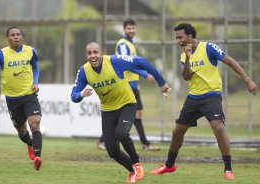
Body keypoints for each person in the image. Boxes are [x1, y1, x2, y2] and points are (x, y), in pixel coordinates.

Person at [150, 23, 258, 179]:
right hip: (193, 97)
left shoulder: (209, 47)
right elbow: (186, 77)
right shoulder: (183, 55)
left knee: (218, 127)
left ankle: (228, 169)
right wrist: (187, 58)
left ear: (190, 36)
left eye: (180, 37)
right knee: (177, 132)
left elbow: (230, 61)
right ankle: (169, 165)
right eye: (176, 38)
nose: (178, 40)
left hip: (211, 95)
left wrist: (247, 80)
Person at [71, 42, 171, 182]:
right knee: (112, 151)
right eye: (89, 53)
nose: (93, 56)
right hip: (107, 110)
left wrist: (161, 82)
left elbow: (141, 62)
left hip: (127, 104)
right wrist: (81, 93)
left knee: (122, 133)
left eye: (96, 52)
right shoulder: (84, 71)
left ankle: (137, 164)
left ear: (102, 53)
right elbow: (73, 96)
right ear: (86, 55)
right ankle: (132, 171)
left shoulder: (114, 61)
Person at [0, 26, 43, 171]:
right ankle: (29, 143)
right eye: (12, 35)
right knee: (22, 131)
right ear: (8, 38)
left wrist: (35, 81)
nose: (16, 37)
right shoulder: (1, 54)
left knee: (34, 124)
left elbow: (35, 66)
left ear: (21, 37)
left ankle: (37, 157)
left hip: (29, 95)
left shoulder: (30, 51)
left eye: (18, 34)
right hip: (12, 99)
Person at [96, 18, 160, 151]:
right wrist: (145, 74)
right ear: (124, 30)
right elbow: (128, 65)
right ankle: (144, 143)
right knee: (135, 114)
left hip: (133, 84)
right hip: (126, 85)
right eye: (129, 28)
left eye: (133, 28)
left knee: (136, 114)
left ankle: (143, 143)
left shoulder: (130, 44)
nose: (131, 30)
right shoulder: (123, 44)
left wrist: (137, 82)